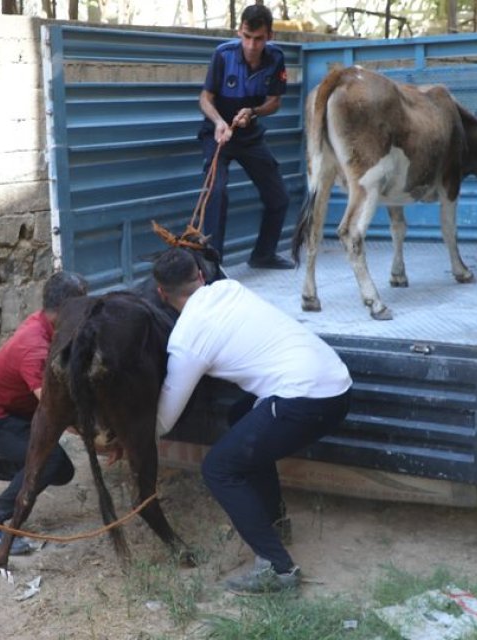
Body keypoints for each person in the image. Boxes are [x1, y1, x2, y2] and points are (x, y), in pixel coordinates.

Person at [152, 247, 352, 594]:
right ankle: (274, 520)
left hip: (305, 399)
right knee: (241, 415)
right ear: (200, 275)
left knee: (218, 469)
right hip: (337, 384)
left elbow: (164, 419)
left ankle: (278, 568)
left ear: (160, 293)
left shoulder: (187, 339)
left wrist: (125, 442)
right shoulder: (230, 289)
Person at [0, 271, 89, 555]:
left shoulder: (50, 327)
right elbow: (56, 412)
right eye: (83, 308)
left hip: (8, 414)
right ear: (68, 310)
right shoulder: (34, 347)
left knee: (62, 469)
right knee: (49, 460)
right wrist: (103, 442)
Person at [197, 3, 297, 270]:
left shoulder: (275, 58)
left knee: (279, 197)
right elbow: (205, 99)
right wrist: (219, 122)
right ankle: (212, 267)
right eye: (247, 37)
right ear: (239, 32)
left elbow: (274, 102)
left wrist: (252, 112)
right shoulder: (222, 55)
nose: (252, 45)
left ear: (270, 36)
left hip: (250, 135)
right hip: (217, 135)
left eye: (259, 39)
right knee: (216, 193)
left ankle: (263, 255)